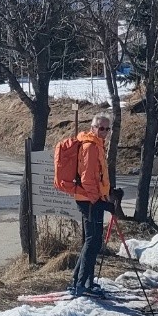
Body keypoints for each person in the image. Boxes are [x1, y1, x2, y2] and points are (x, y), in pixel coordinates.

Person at [68, 113, 114, 297]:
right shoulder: (90, 147)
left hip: (92, 199)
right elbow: (87, 178)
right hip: (89, 200)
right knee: (92, 241)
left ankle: (82, 281)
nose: (103, 131)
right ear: (92, 127)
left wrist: (107, 193)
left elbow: (98, 176)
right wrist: (97, 199)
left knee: (92, 241)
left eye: (106, 128)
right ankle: (81, 285)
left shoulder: (97, 145)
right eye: (100, 128)